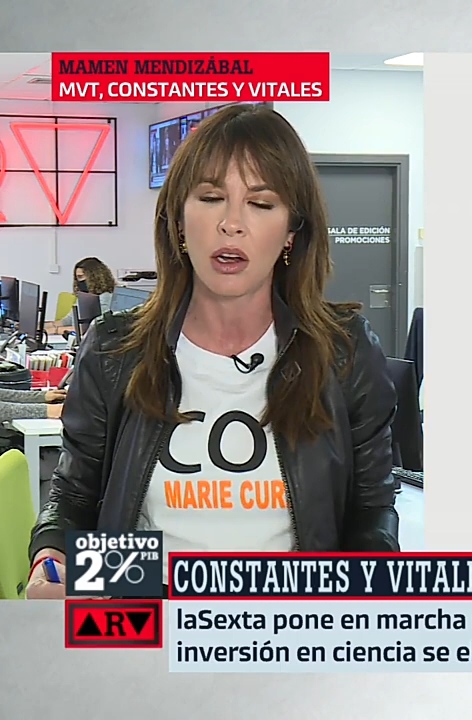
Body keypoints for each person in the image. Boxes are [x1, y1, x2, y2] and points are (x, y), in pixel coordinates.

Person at [26, 104, 399, 600]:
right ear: (179, 220)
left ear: (292, 231)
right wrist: (53, 559)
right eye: (211, 197)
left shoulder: (344, 351)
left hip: (290, 618)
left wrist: (358, 608)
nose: (231, 223)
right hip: (146, 611)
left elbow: (371, 512)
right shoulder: (115, 349)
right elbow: (74, 495)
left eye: (261, 203)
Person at [51, 257, 117, 333]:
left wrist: (56, 330)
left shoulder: (105, 297)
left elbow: (92, 328)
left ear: (94, 277)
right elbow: (68, 320)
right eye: (77, 277)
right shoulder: (85, 297)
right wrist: (45, 326)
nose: (79, 281)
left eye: (80, 277)